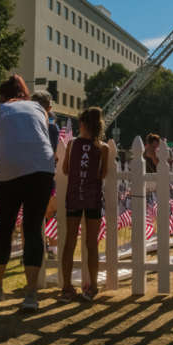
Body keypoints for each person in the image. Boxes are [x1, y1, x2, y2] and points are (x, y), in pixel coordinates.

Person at [0, 75, 56, 310]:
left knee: (4, 227)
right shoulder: (39, 109)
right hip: (43, 168)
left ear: (2, 96)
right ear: (24, 93)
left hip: (11, 169)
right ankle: (31, 294)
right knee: (33, 228)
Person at [59, 107, 109, 302]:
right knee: (92, 244)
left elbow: (64, 170)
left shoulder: (71, 144)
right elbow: (103, 175)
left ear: (82, 125)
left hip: (73, 197)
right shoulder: (103, 148)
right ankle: (93, 287)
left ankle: (66, 288)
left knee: (69, 243)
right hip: (93, 199)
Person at [31, 90, 60, 258]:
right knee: (50, 215)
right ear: (49, 108)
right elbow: (55, 152)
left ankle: (31, 250)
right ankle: (52, 250)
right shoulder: (53, 127)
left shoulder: (24, 124)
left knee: (31, 217)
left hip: (25, 174)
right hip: (47, 176)